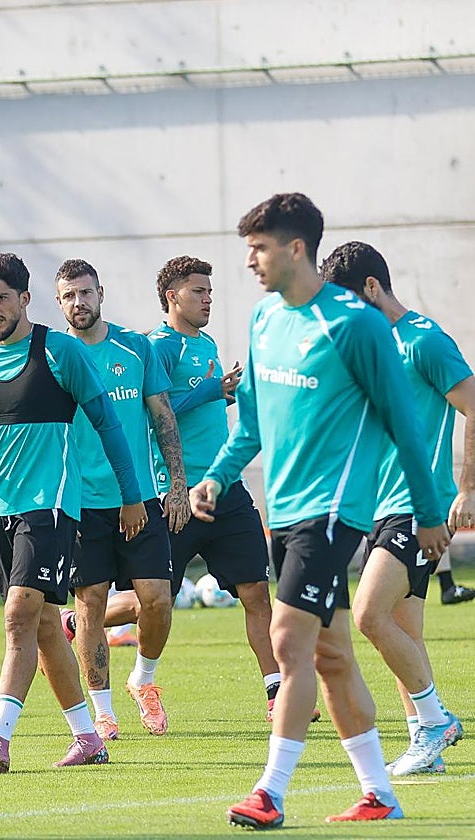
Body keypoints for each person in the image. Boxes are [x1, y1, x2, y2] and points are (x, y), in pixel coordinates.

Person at [191, 194, 451, 827]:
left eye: (259, 248)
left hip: (336, 513)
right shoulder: (261, 321)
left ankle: (270, 792)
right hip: (283, 513)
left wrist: (429, 510)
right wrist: (217, 477)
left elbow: (405, 425)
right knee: (331, 656)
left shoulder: (356, 324)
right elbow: (250, 423)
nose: (249, 261)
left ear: (296, 248)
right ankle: (379, 793)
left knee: (288, 641)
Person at [0, 253, 146, 772]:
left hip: (51, 506)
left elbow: (110, 425)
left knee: (18, 616)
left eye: (1, 297)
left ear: (25, 298)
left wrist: (131, 494)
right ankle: (88, 739)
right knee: (46, 626)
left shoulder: (61, 351)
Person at [323, 241, 475, 776]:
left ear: (372, 288)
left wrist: (468, 490)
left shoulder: (424, 339)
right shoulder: (369, 346)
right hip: (382, 507)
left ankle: (436, 721)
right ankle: (426, 741)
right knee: (403, 628)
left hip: (420, 509)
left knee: (370, 614)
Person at [137, 255, 306, 724]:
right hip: (174, 493)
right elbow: (157, 413)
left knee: (255, 589)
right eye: (198, 291)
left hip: (222, 489)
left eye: (209, 291)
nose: (208, 298)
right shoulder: (159, 347)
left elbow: (204, 402)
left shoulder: (206, 342)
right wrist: (212, 390)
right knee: (155, 601)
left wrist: (225, 391)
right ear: (173, 296)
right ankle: (118, 653)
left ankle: (277, 693)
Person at [53, 259, 187, 740]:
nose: (78, 303)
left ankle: (143, 681)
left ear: (100, 293)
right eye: (68, 296)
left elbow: (162, 416)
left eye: (85, 293)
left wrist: (177, 484)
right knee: (89, 604)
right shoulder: (53, 355)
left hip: (141, 496)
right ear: (58, 302)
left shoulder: (136, 348)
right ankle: (102, 713)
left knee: (158, 600)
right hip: (81, 502)